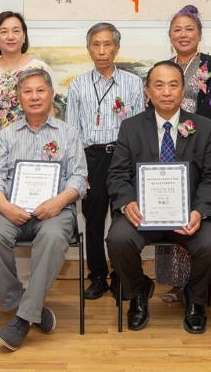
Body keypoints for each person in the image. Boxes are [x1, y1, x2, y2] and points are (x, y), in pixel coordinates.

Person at [106, 61, 211, 334]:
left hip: (189, 214)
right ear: (147, 91)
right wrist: (127, 203)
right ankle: (139, 292)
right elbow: (117, 175)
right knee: (118, 239)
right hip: (143, 215)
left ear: (184, 90)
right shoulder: (131, 127)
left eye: (174, 85)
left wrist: (199, 212)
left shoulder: (204, 128)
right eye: (158, 85)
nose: (166, 92)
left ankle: (195, 299)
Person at [0, 68, 87, 350]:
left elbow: (79, 178)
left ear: (51, 94)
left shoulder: (68, 133)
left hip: (55, 210)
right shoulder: (7, 135)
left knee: (52, 237)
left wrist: (59, 201)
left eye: (41, 90)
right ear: (19, 98)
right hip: (12, 210)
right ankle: (27, 307)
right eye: (28, 91)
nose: (35, 96)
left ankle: (22, 319)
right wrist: (4, 205)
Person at [65, 22, 145, 299]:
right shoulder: (77, 86)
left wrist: (136, 167)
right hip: (92, 158)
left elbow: (140, 128)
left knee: (124, 218)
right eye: (96, 45)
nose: (101, 50)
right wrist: (79, 169)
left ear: (117, 48)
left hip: (123, 156)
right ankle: (97, 276)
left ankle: (123, 276)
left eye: (107, 44)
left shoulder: (133, 83)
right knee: (94, 220)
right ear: (88, 49)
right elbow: (72, 133)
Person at [157, 4, 211, 303]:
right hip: (168, 149)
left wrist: (198, 138)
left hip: (203, 147)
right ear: (170, 35)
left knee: (199, 214)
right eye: (177, 29)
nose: (183, 34)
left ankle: (200, 283)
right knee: (170, 212)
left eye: (189, 29)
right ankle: (176, 283)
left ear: (199, 34)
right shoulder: (164, 66)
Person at [0, 11, 52, 176]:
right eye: (4, 31)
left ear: (24, 36)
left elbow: (50, 111)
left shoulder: (40, 68)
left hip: (37, 146)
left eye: (16, 31)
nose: (10, 36)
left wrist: (52, 147)